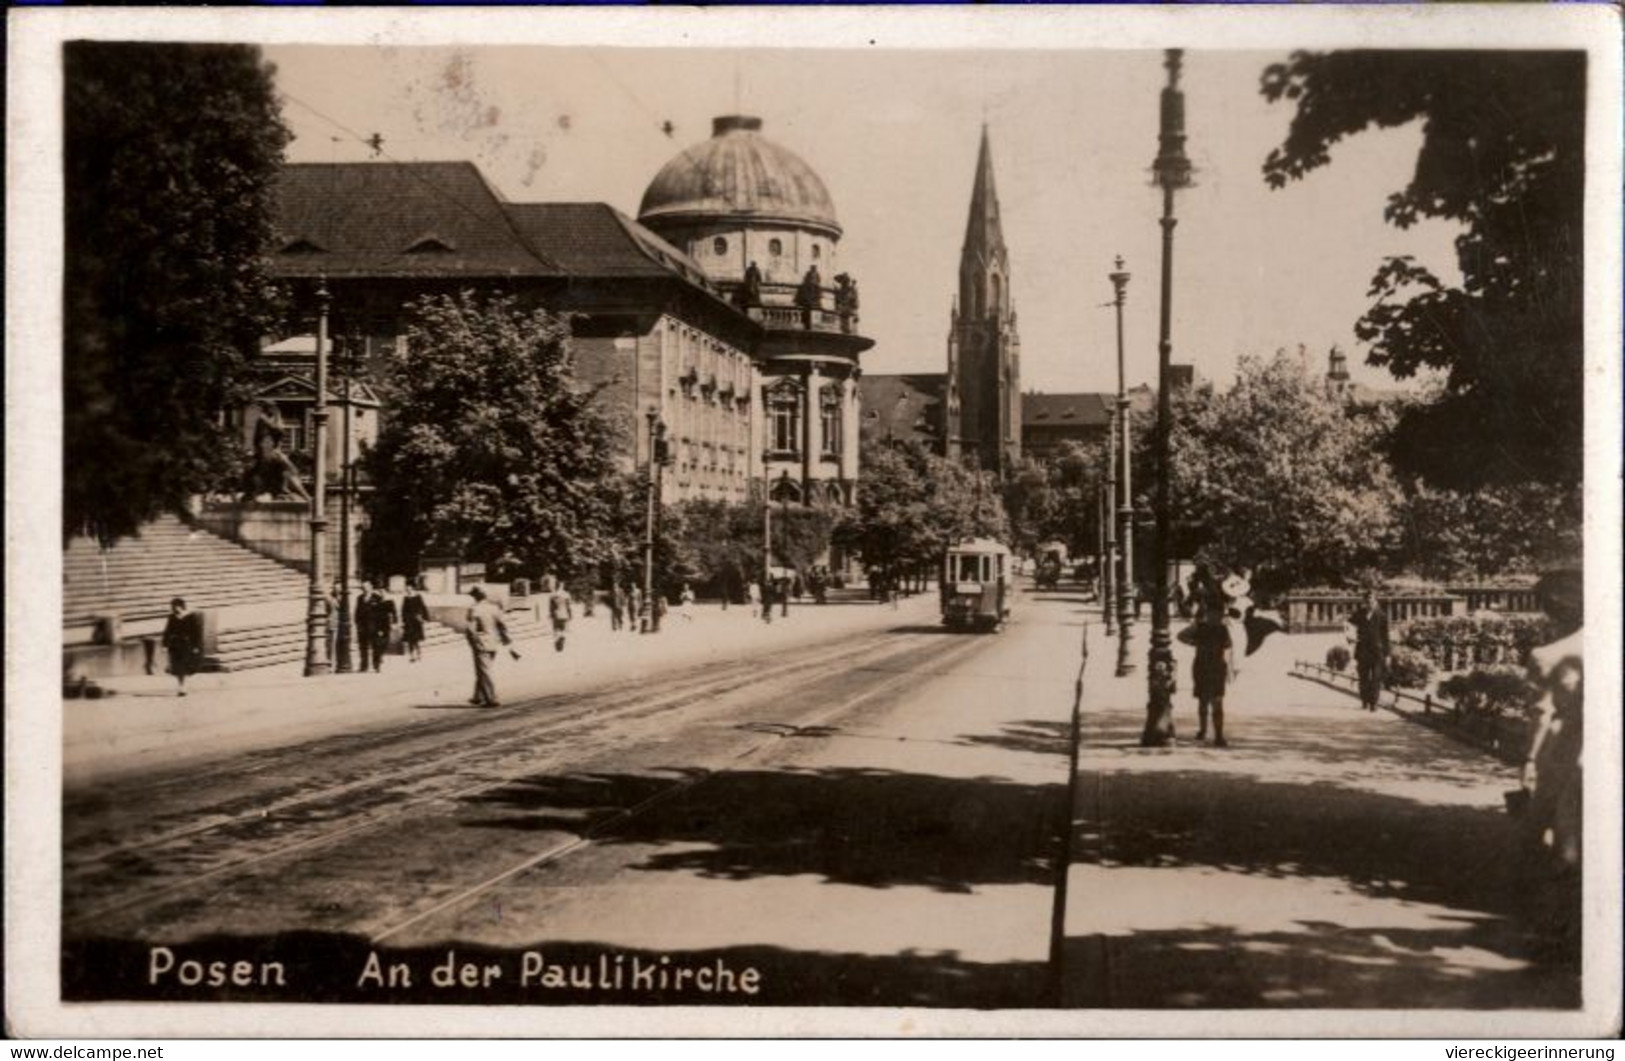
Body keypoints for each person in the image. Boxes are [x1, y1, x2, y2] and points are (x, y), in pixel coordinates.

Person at [1191, 596, 1233, 746]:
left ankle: (1218, 735)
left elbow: (1228, 646)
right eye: (1213, 613)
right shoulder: (1201, 627)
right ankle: (1203, 730)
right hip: (1204, 666)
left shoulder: (1221, 629)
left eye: (1218, 614)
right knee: (1203, 700)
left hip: (1214, 667)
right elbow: (1182, 636)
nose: (1216, 616)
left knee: (1217, 701)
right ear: (1208, 613)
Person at [465, 586, 517, 707]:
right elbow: (503, 626)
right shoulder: (494, 608)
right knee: (483, 669)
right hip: (494, 642)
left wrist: (473, 643)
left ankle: (492, 699)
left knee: (485, 671)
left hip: (481, 643)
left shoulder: (474, 609)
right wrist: (507, 642)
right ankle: (477, 696)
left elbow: (470, 629)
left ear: (475, 597)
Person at [1348, 589, 1390, 712]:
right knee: (1363, 677)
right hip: (1362, 650)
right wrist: (1350, 637)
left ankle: (1374, 703)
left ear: (1375, 600)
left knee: (1376, 678)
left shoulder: (1382, 615)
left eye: (1371, 599)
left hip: (1377, 651)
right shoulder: (1360, 613)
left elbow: (1386, 636)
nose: (1369, 602)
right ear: (1364, 601)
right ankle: (1365, 700)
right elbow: (1349, 625)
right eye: (1367, 600)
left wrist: (1387, 654)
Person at [161, 597, 204, 697]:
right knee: (177, 667)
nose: (175, 609)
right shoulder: (171, 617)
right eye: (173, 607)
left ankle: (183, 687)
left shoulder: (190, 617)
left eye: (177, 606)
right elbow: (167, 632)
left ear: (181, 606)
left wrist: (196, 646)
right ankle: (181, 686)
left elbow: (196, 633)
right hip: (175, 645)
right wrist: (165, 645)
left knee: (184, 666)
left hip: (186, 644)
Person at [401, 577, 429, 663]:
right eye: (406, 588)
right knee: (410, 640)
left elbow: (423, 607)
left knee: (416, 639)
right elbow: (403, 610)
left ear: (412, 588)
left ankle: (419, 654)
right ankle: (412, 655)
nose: (407, 589)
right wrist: (403, 620)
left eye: (409, 588)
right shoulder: (406, 598)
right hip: (408, 621)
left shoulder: (418, 597)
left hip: (416, 620)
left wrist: (424, 618)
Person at [354, 581, 377, 672]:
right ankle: (364, 666)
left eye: (366, 587)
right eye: (363, 587)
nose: (365, 589)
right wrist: (357, 624)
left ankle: (376, 665)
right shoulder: (359, 598)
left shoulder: (376, 598)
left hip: (374, 626)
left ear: (371, 587)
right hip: (362, 627)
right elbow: (357, 612)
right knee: (363, 647)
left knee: (375, 646)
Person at [548, 580, 574, 652]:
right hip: (564, 614)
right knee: (563, 629)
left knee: (556, 629)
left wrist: (551, 614)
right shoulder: (566, 594)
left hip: (556, 615)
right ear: (562, 586)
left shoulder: (552, 595)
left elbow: (551, 607)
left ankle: (558, 641)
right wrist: (570, 614)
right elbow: (568, 606)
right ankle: (561, 638)